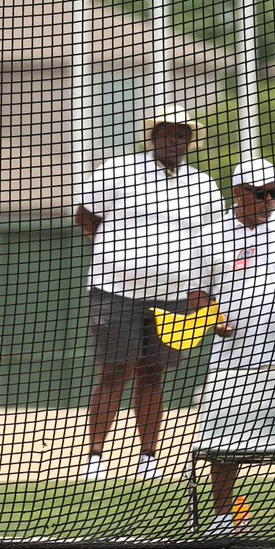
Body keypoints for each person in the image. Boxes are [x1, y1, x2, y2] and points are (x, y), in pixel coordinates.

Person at [74, 105, 222, 480]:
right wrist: (118, 252)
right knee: (113, 372)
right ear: (152, 137)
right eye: (166, 133)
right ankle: (94, 457)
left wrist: (202, 290)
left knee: (153, 374)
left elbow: (210, 241)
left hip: (173, 295)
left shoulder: (203, 185)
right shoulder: (117, 169)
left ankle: (148, 458)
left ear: (190, 142)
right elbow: (85, 216)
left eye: (181, 135)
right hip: (115, 290)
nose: (174, 140)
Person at [195, 157, 275, 536]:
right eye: (262, 193)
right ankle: (223, 518)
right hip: (232, 361)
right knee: (222, 445)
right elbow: (197, 293)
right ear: (238, 193)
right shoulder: (211, 235)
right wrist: (212, 317)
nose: (271, 199)